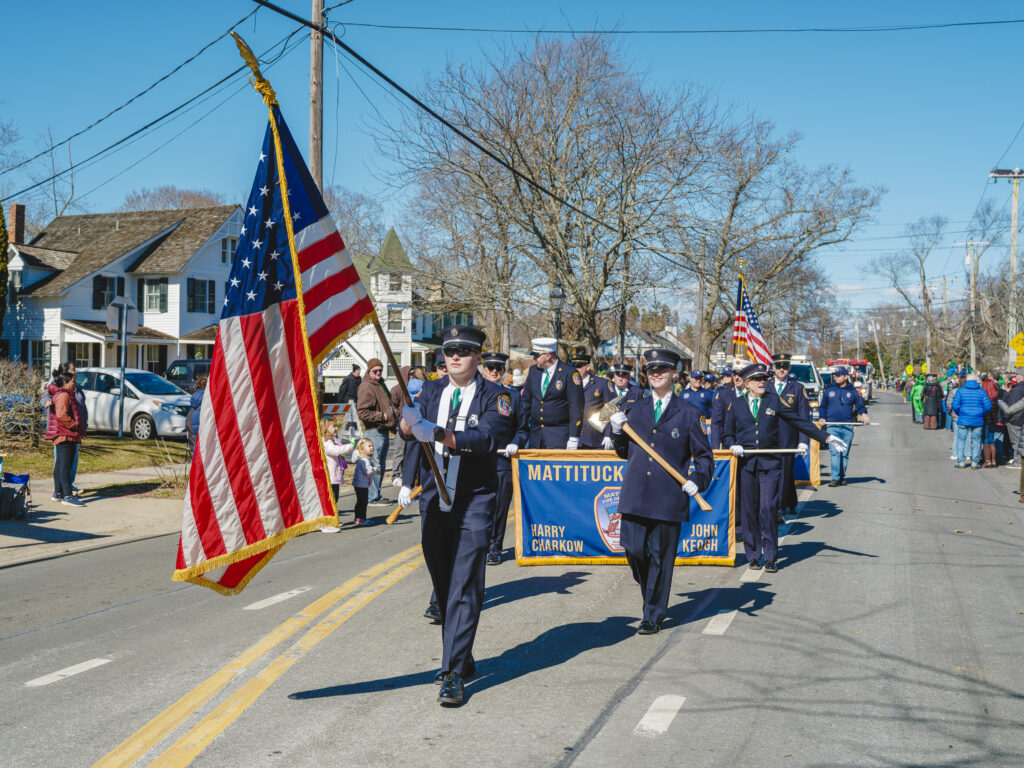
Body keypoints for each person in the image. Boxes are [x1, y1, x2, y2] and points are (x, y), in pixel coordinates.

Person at [396, 325, 507, 707]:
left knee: (464, 585)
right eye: (448, 351)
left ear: (478, 355)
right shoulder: (429, 391)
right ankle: (461, 651)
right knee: (443, 587)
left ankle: (452, 673)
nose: (454, 356)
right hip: (434, 500)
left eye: (463, 350)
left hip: (473, 501)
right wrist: (408, 424)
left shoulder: (498, 396)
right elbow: (408, 433)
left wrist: (438, 433)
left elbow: (489, 438)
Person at [608, 349, 714, 634]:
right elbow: (623, 452)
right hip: (635, 493)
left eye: (662, 370)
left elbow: (705, 458)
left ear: (674, 374)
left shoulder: (690, 413)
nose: (656, 374)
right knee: (633, 549)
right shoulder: (635, 408)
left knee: (661, 557)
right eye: (651, 370)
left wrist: (697, 479)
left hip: (668, 496)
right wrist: (617, 431)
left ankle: (652, 614)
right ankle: (651, 592)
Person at [725, 363, 842, 572]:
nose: (763, 382)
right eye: (757, 379)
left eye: (764, 379)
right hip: (747, 465)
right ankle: (753, 554)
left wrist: (826, 437)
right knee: (750, 511)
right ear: (747, 384)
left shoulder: (773, 401)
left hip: (770, 463)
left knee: (768, 508)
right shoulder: (737, 404)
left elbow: (798, 420)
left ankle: (770, 556)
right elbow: (727, 433)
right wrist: (732, 444)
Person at [479, 351, 529, 564]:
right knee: (478, 508)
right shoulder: (473, 393)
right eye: (490, 367)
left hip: (502, 460)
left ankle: (494, 546)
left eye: (499, 368)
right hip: (477, 459)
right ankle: (477, 545)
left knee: (499, 507)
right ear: (483, 369)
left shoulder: (512, 396)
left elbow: (523, 427)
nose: (494, 372)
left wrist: (515, 443)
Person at [521, 337, 584, 449]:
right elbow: (526, 401)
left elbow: (576, 407)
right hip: (536, 434)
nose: (534, 358)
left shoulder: (569, 373)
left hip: (558, 435)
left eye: (537, 355)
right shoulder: (534, 371)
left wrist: (574, 436)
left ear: (548, 356)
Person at [770, 353, 810, 518]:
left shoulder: (797, 388)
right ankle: (775, 504)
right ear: (773, 368)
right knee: (770, 474)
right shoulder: (764, 386)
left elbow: (803, 417)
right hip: (767, 439)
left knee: (784, 474)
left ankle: (779, 509)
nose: (781, 370)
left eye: (785, 366)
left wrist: (803, 440)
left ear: (789, 368)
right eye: (778, 366)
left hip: (787, 439)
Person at [41, 362, 88, 500]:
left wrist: (82, 424)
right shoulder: (60, 390)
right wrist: (74, 425)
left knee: (71, 461)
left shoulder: (75, 387)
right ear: (66, 375)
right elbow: (59, 412)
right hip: (64, 431)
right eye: (74, 370)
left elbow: (81, 407)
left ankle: (67, 486)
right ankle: (63, 492)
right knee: (62, 463)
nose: (76, 372)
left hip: (74, 432)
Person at [816, 366, 869, 487]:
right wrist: (822, 417)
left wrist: (864, 415)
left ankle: (841, 476)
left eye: (839, 375)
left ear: (846, 377)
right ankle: (835, 478)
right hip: (832, 426)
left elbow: (860, 405)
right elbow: (822, 406)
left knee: (844, 453)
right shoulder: (829, 390)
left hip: (847, 427)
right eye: (835, 375)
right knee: (834, 452)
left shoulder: (853, 391)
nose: (836, 377)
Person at [356, 358, 397, 504]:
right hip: (374, 431)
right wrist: (382, 416)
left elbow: (389, 405)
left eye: (380, 370)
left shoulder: (379, 384)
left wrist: (393, 422)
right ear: (369, 371)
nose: (378, 373)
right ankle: (372, 497)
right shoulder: (367, 386)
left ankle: (376, 495)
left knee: (380, 465)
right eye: (375, 371)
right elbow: (362, 412)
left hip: (383, 430)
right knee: (374, 466)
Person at [572, 349, 617, 449]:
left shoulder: (601, 383)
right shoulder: (569, 383)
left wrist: (608, 434)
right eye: (573, 366)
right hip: (572, 436)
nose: (575, 369)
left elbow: (611, 408)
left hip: (594, 437)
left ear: (588, 367)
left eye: (579, 367)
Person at [320, 417, 355, 532]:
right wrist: (350, 446)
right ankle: (326, 524)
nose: (336, 428)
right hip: (330, 477)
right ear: (325, 428)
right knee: (332, 500)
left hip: (334, 476)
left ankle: (333, 519)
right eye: (333, 426)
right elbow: (335, 451)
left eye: (336, 426)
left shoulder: (332, 441)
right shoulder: (327, 442)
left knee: (335, 499)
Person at [951, 373, 991, 469]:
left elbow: (954, 405)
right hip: (977, 420)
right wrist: (981, 412)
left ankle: (961, 462)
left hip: (963, 419)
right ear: (976, 381)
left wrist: (960, 412)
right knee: (976, 441)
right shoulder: (981, 391)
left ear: (966, 381)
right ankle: (974, 463)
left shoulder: (960, 391)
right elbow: (988, 406)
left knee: (961, 440)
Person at [709, 367, 742, 450]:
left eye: (740, 374)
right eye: (734, 375)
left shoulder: (754, 393)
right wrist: (715, 447)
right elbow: (716, 421)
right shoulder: (723, 393)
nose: (737, 378)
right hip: (729, 443)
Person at [350, 437, 379, 525]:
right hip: (362, 485)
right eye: (369, 446)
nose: (372, 448)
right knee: (363, 502)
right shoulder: (364, 461)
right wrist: (375, 470)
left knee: (360, 501)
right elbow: (368, 472)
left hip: (359, 484)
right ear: (362, 449)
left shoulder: (362, 459)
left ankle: (357, 517)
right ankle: (362, 518)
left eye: (372, 446)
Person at [999, 376, 1024, 468]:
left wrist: (1000, 402)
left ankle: (1018, 462)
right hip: (1020, 419)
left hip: (1015, 419)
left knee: (1016, 442)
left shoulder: (1017, 389)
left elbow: (1010, 409)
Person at [980, 373, 1000, 467]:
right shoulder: (995, 397)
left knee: (986, 439)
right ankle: (993, 460)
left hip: (985, 420)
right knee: (992, 439)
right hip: (994, 420)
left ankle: (987, 461)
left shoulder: (984, 398)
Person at [186, 375, 206, 461]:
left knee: (195, 451)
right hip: (200, 424)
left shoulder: (194, 404)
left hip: (192, 424)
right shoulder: (207, 401)